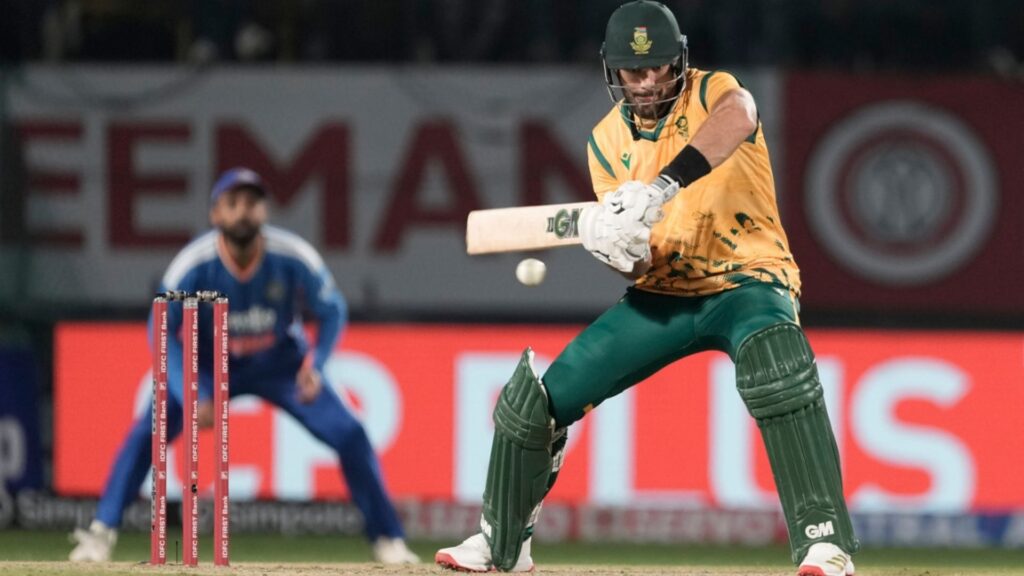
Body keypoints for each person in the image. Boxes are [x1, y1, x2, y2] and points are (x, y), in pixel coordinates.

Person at [435, 1, 859, 575]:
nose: (649, 80)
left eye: (660, 67)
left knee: (776, 365)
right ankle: (500, 542)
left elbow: (740, 115)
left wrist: (661, 187)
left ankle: (823, 542)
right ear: (613, 71)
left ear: (680, 62)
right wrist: (622, 251)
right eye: (635, 71)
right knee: (538, 401)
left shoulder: (715, 94)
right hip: (664, 293)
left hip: (749, 281)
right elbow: (635, 267)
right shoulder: (605, 142)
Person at [70, 167, 419, 565]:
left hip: (280, 365)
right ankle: (99, 534)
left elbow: (333, 311)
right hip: (205, 366)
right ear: (215, 215)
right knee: (146, 433)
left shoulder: (292, 257)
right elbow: (162, 329)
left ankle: (389, 539)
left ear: (264, 212)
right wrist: (192, 392)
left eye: (252, 203)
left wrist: (317, 365)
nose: (243, 212)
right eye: (232, 204)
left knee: (351, 434)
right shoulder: (194, 264)